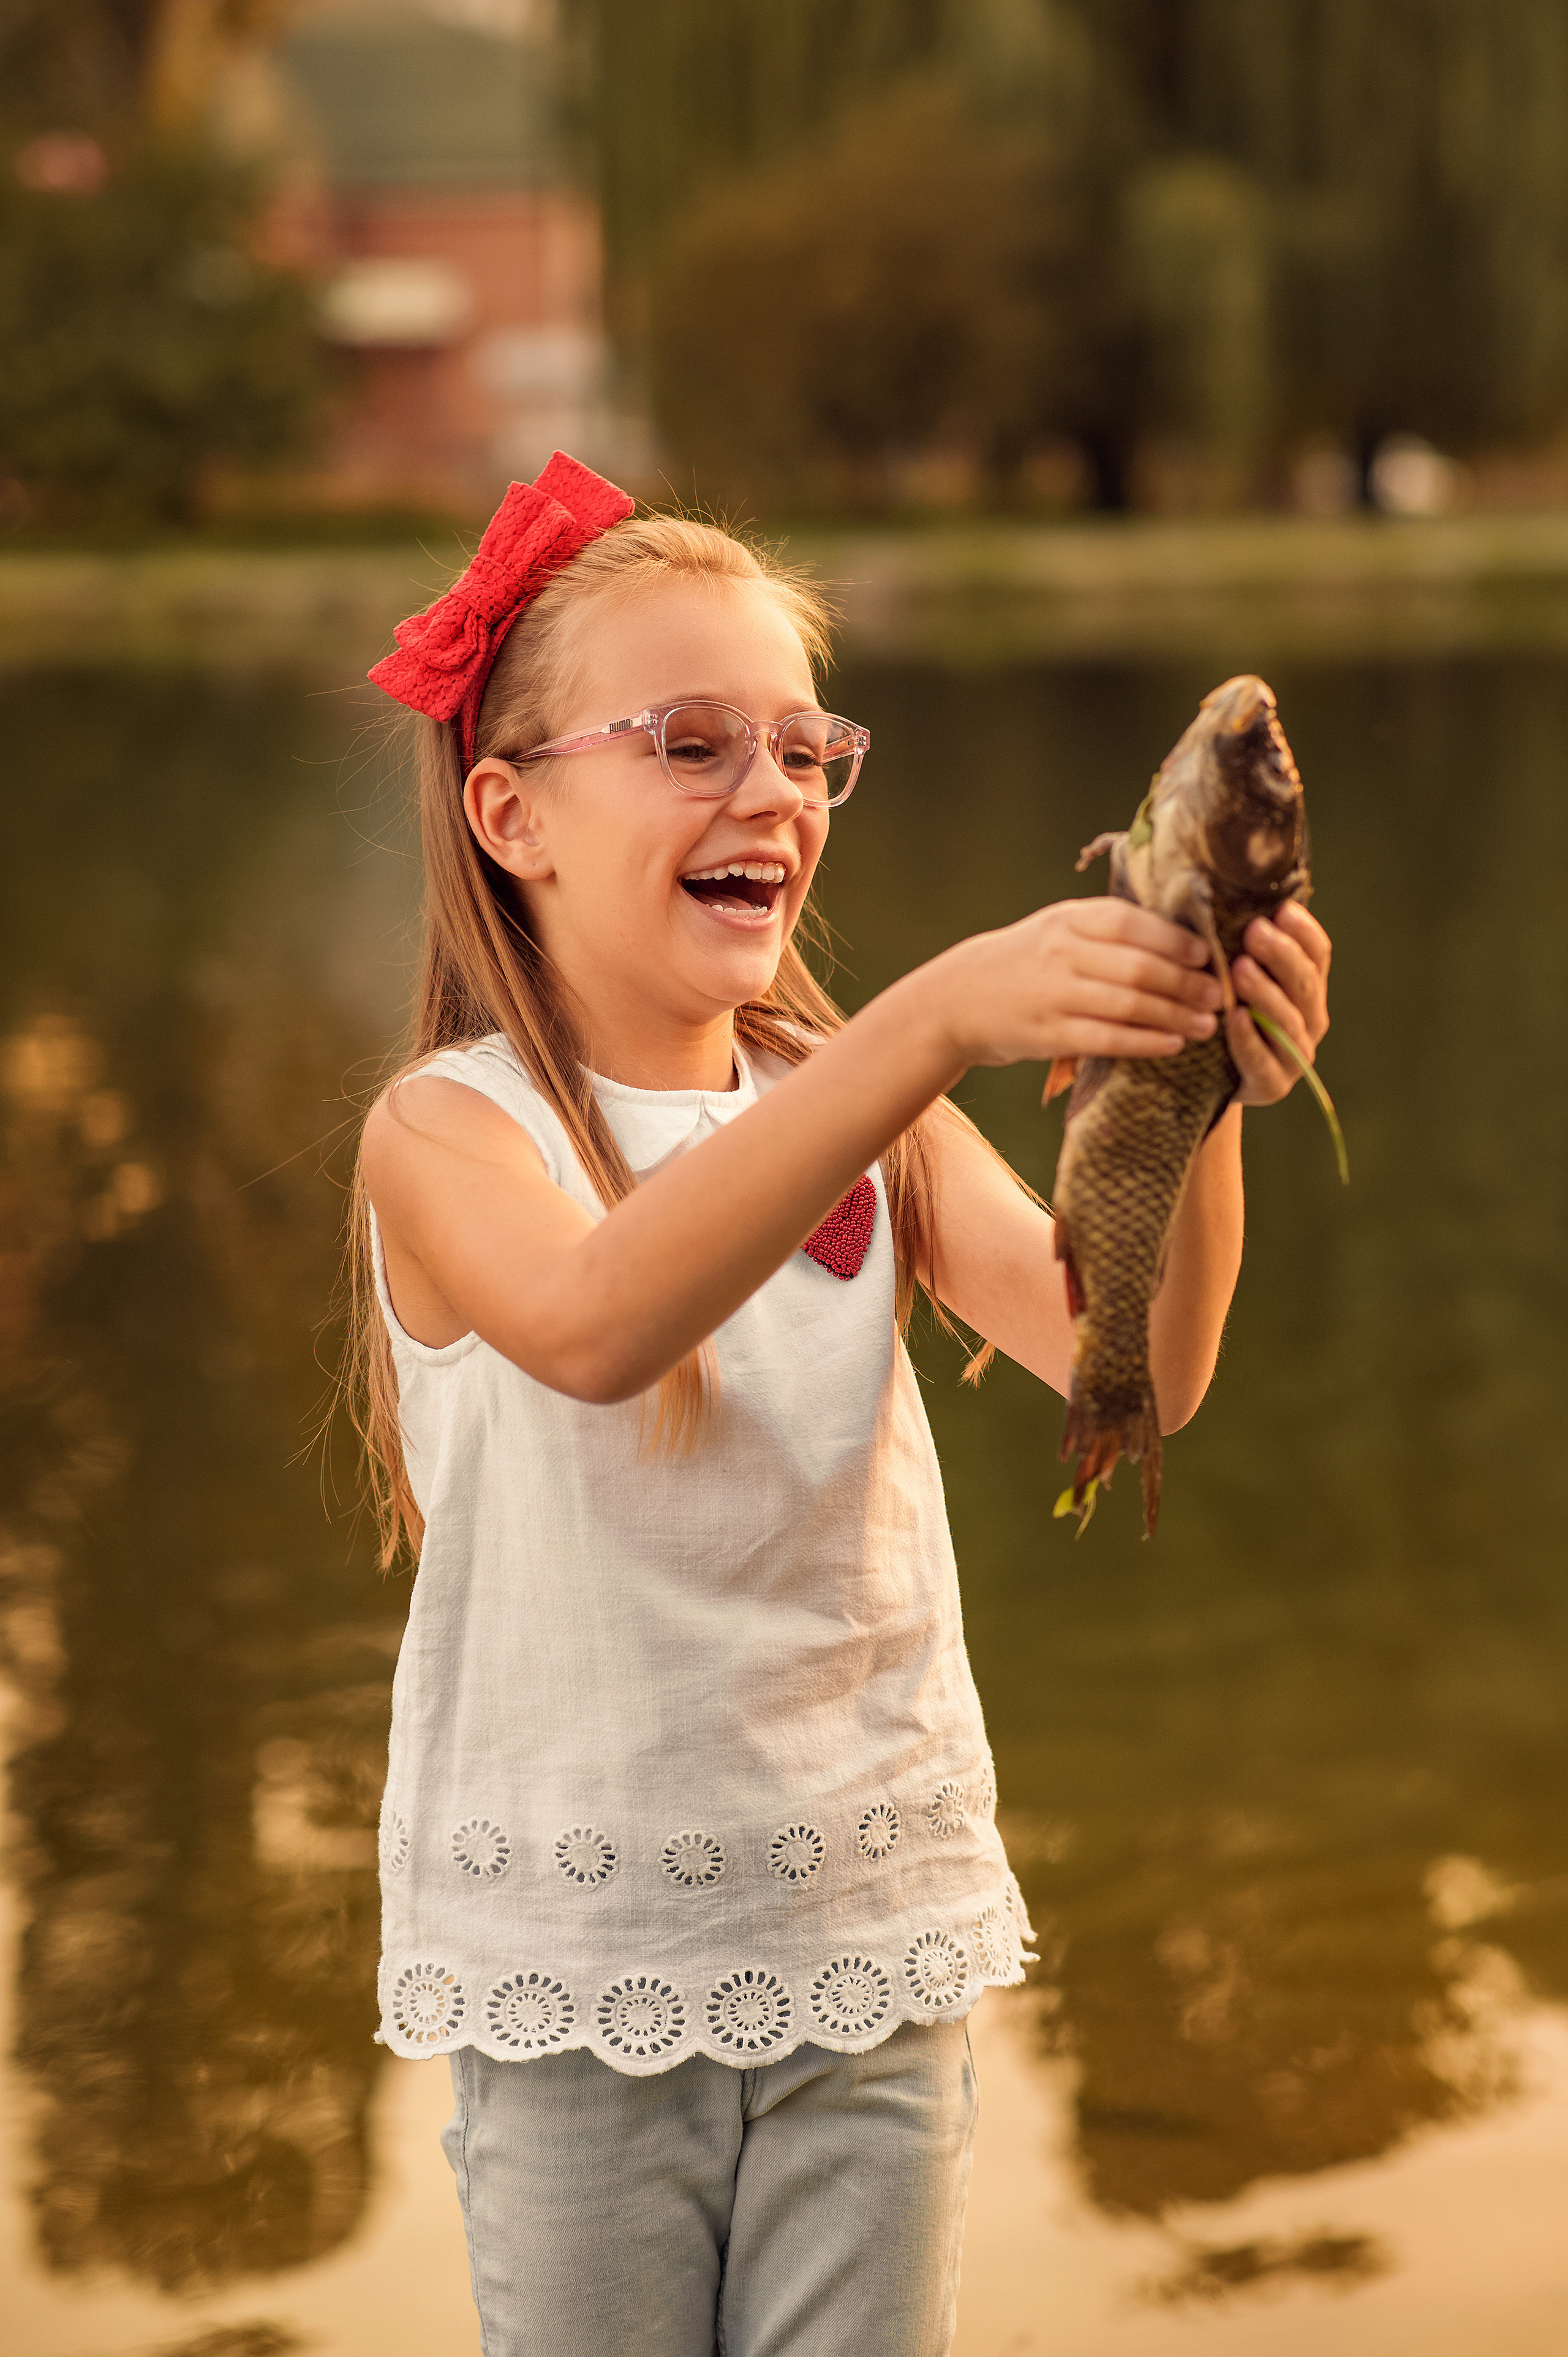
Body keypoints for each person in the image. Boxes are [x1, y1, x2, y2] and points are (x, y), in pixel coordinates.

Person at [350, 453, 1332, 2357]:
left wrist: (1202, 1092)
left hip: (867, 1940)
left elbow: (1143, 1362)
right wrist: (927, 1025)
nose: (772, 795)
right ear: (512, 813)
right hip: (585, 1972)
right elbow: (594, 1323)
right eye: (693, 743)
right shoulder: (447, 1132)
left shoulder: (870, 1107)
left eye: (806, 751)